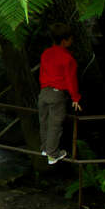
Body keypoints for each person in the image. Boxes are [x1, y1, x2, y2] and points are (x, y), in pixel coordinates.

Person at [37, 22, 82, 165]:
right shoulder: (67, 59)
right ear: (64, 41)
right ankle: (52, 154)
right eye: (70, 39)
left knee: (44, 121)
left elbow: (42, 73)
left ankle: (44, 148)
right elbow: (70, 80)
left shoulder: (46, 53)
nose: (72, 41)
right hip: (57, 95)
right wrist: (75, 98)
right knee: (55, 124)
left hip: (43, 93)